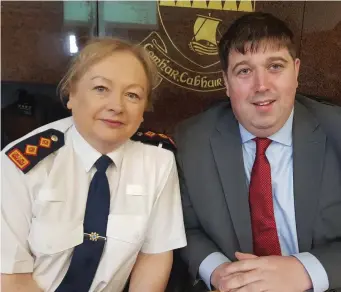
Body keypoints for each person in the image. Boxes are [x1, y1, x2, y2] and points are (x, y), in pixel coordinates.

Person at [1, 38, 187, 292]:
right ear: (72, 95)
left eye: (132, 95)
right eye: (101, 89)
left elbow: (153, 257)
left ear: (144, 110)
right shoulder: (21, 163)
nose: (116, 106)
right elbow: (11, 278)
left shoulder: (158, 161)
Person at [174, 12, 341, 292]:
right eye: (244, 71)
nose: (261, 85)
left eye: (275, 66)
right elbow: (186, 229)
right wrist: (220, 272)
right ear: (226, 82)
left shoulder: (336, 130)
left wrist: (305, 270)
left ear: (296, 71)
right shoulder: (193, 141)